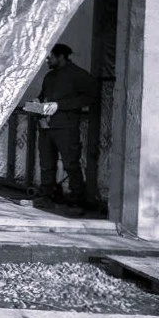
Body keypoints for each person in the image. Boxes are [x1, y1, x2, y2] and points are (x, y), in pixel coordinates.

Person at [35, 43, 98, 207]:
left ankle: (77, 199)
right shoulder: (49, 77)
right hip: (46, 127)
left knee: (71, 163)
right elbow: (43, 97)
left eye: (50, 57)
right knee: (46, 164)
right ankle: (47, 196)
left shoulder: (78, 75)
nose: (47, 60)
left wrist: (60, 105)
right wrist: (37, 103)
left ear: (61, 57)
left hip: (66, 128)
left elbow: (91, 96)